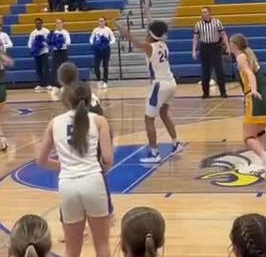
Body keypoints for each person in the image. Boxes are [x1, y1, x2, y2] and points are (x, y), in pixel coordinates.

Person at [35, 81, 114, 257]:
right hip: (93, 181)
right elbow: (108, 159)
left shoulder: (54, 123)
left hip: (67, 185)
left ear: (65, 100)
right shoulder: (100, 121)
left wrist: (62, 166)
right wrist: (97, 167)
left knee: (71, 250)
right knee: (102, 245)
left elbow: (40, 160)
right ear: (89, 99)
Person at [119, 17, 185, 163]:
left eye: (147, 33)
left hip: (159, 85)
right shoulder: (163, 44)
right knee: (164, 113)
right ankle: (175, 143)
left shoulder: (149, 47)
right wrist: (149, 17)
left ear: (150, 35)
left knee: (148, 119)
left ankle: (154, 153)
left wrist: (120, 29)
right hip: (171, 83)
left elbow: (132, 39)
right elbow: (155, 29)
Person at [229, 34, 266, 180]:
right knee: (260, 132)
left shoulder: (240, 57)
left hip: (256, 96)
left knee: (248, 137)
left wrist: (253, 90)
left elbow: (250, 74)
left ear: (234, 45)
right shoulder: (249, 54)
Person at [192, 7, 228, 99]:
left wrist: (227, 46)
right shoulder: (198, 24)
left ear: (209, 13)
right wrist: (194, 50)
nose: (203, 14)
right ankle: (205, 93)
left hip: (215, 47)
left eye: (205, 12)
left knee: (219, 70)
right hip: (204, 47)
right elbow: (195, 38)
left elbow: (223, 34)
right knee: (205, 71)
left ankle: (223, 92)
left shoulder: (217, 22)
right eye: (202, 12)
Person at [88, 17, 115, 90]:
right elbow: (91, 38)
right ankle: (99, 80)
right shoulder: (95, 30)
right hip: (97, 49)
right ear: (98, 22)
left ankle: (105, 81)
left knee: (105, 65)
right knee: (96, 65)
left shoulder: (108, 29)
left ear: (104, 22)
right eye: (99, 21)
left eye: (102, 21)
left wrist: (108, 43)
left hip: (105, 49)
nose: (101, 22)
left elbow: (113, 38)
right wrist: (92, 43)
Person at [27, 18, 51, 92]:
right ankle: (41, 84)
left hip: (44, 52)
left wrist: (43, 44)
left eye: (39, 23)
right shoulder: (33, 33)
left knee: (46, 68)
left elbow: (50, 41)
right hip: (37, 53)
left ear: (42, 24)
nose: (38, 24)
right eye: (36, 23)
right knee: (38, 68)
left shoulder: (46, 31)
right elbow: (29, 43)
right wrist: (34, 48)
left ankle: (47, 84)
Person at [47, 19, 71, 91]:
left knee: (64, 68)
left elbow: (68, 42)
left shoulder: (65, 32)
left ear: (63, 23)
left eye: (60, 23)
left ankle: (64, 84)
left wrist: (61, 42)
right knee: (54, 68)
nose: (58, 24)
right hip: (55, 52)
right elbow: (49, 43)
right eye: (57, 23)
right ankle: (54, 85)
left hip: (63, 51)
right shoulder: (53, 33)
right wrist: (54, 44)